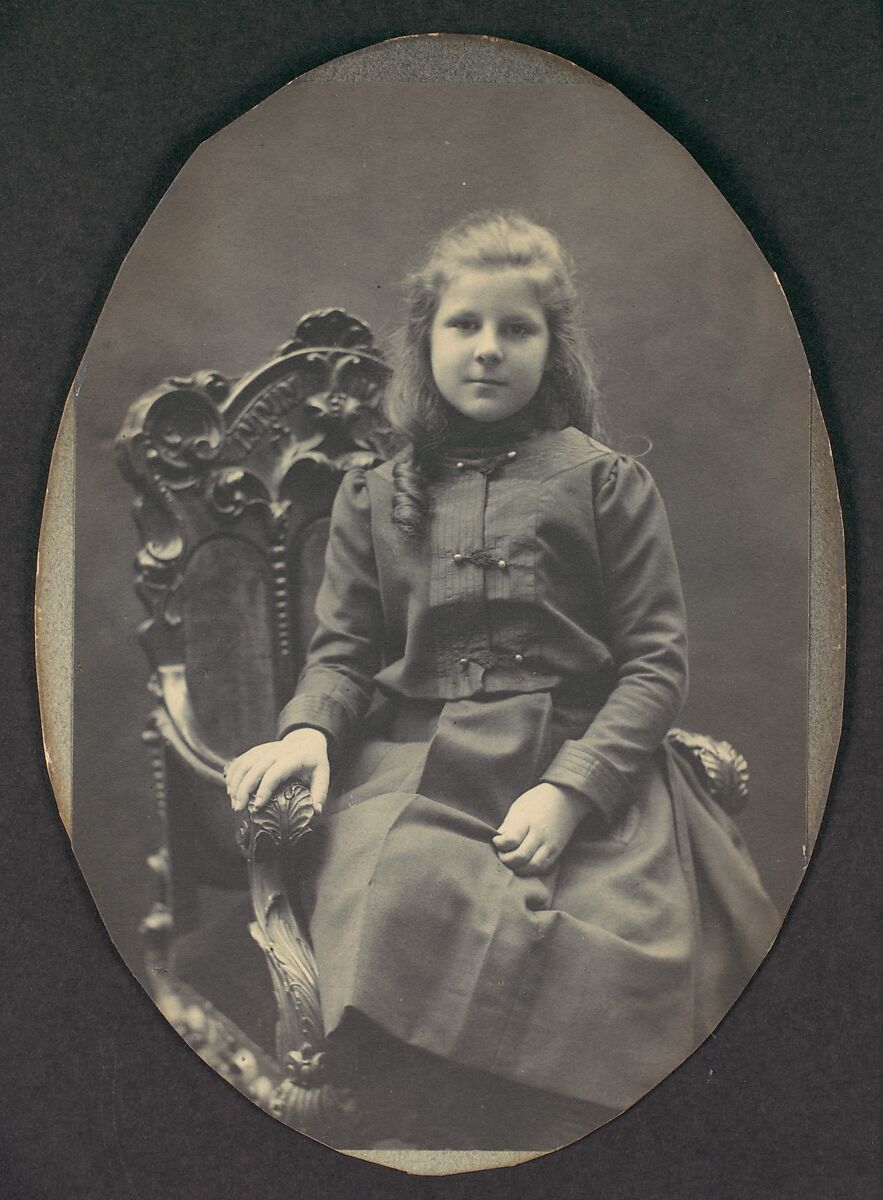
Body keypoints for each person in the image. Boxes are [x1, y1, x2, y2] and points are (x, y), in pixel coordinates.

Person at [225, 213, 779, 1150]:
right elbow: (344, 653)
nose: (488, 349)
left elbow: (653, 663)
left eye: (516, 330)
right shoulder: (374, 492)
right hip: (418, 765)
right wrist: (310, 733)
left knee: (625, 933)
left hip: (586, 763)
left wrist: (570, 794)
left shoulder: (606, 485)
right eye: (464, 325)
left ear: (552, 348)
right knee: (398, 888)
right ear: (425, 339)